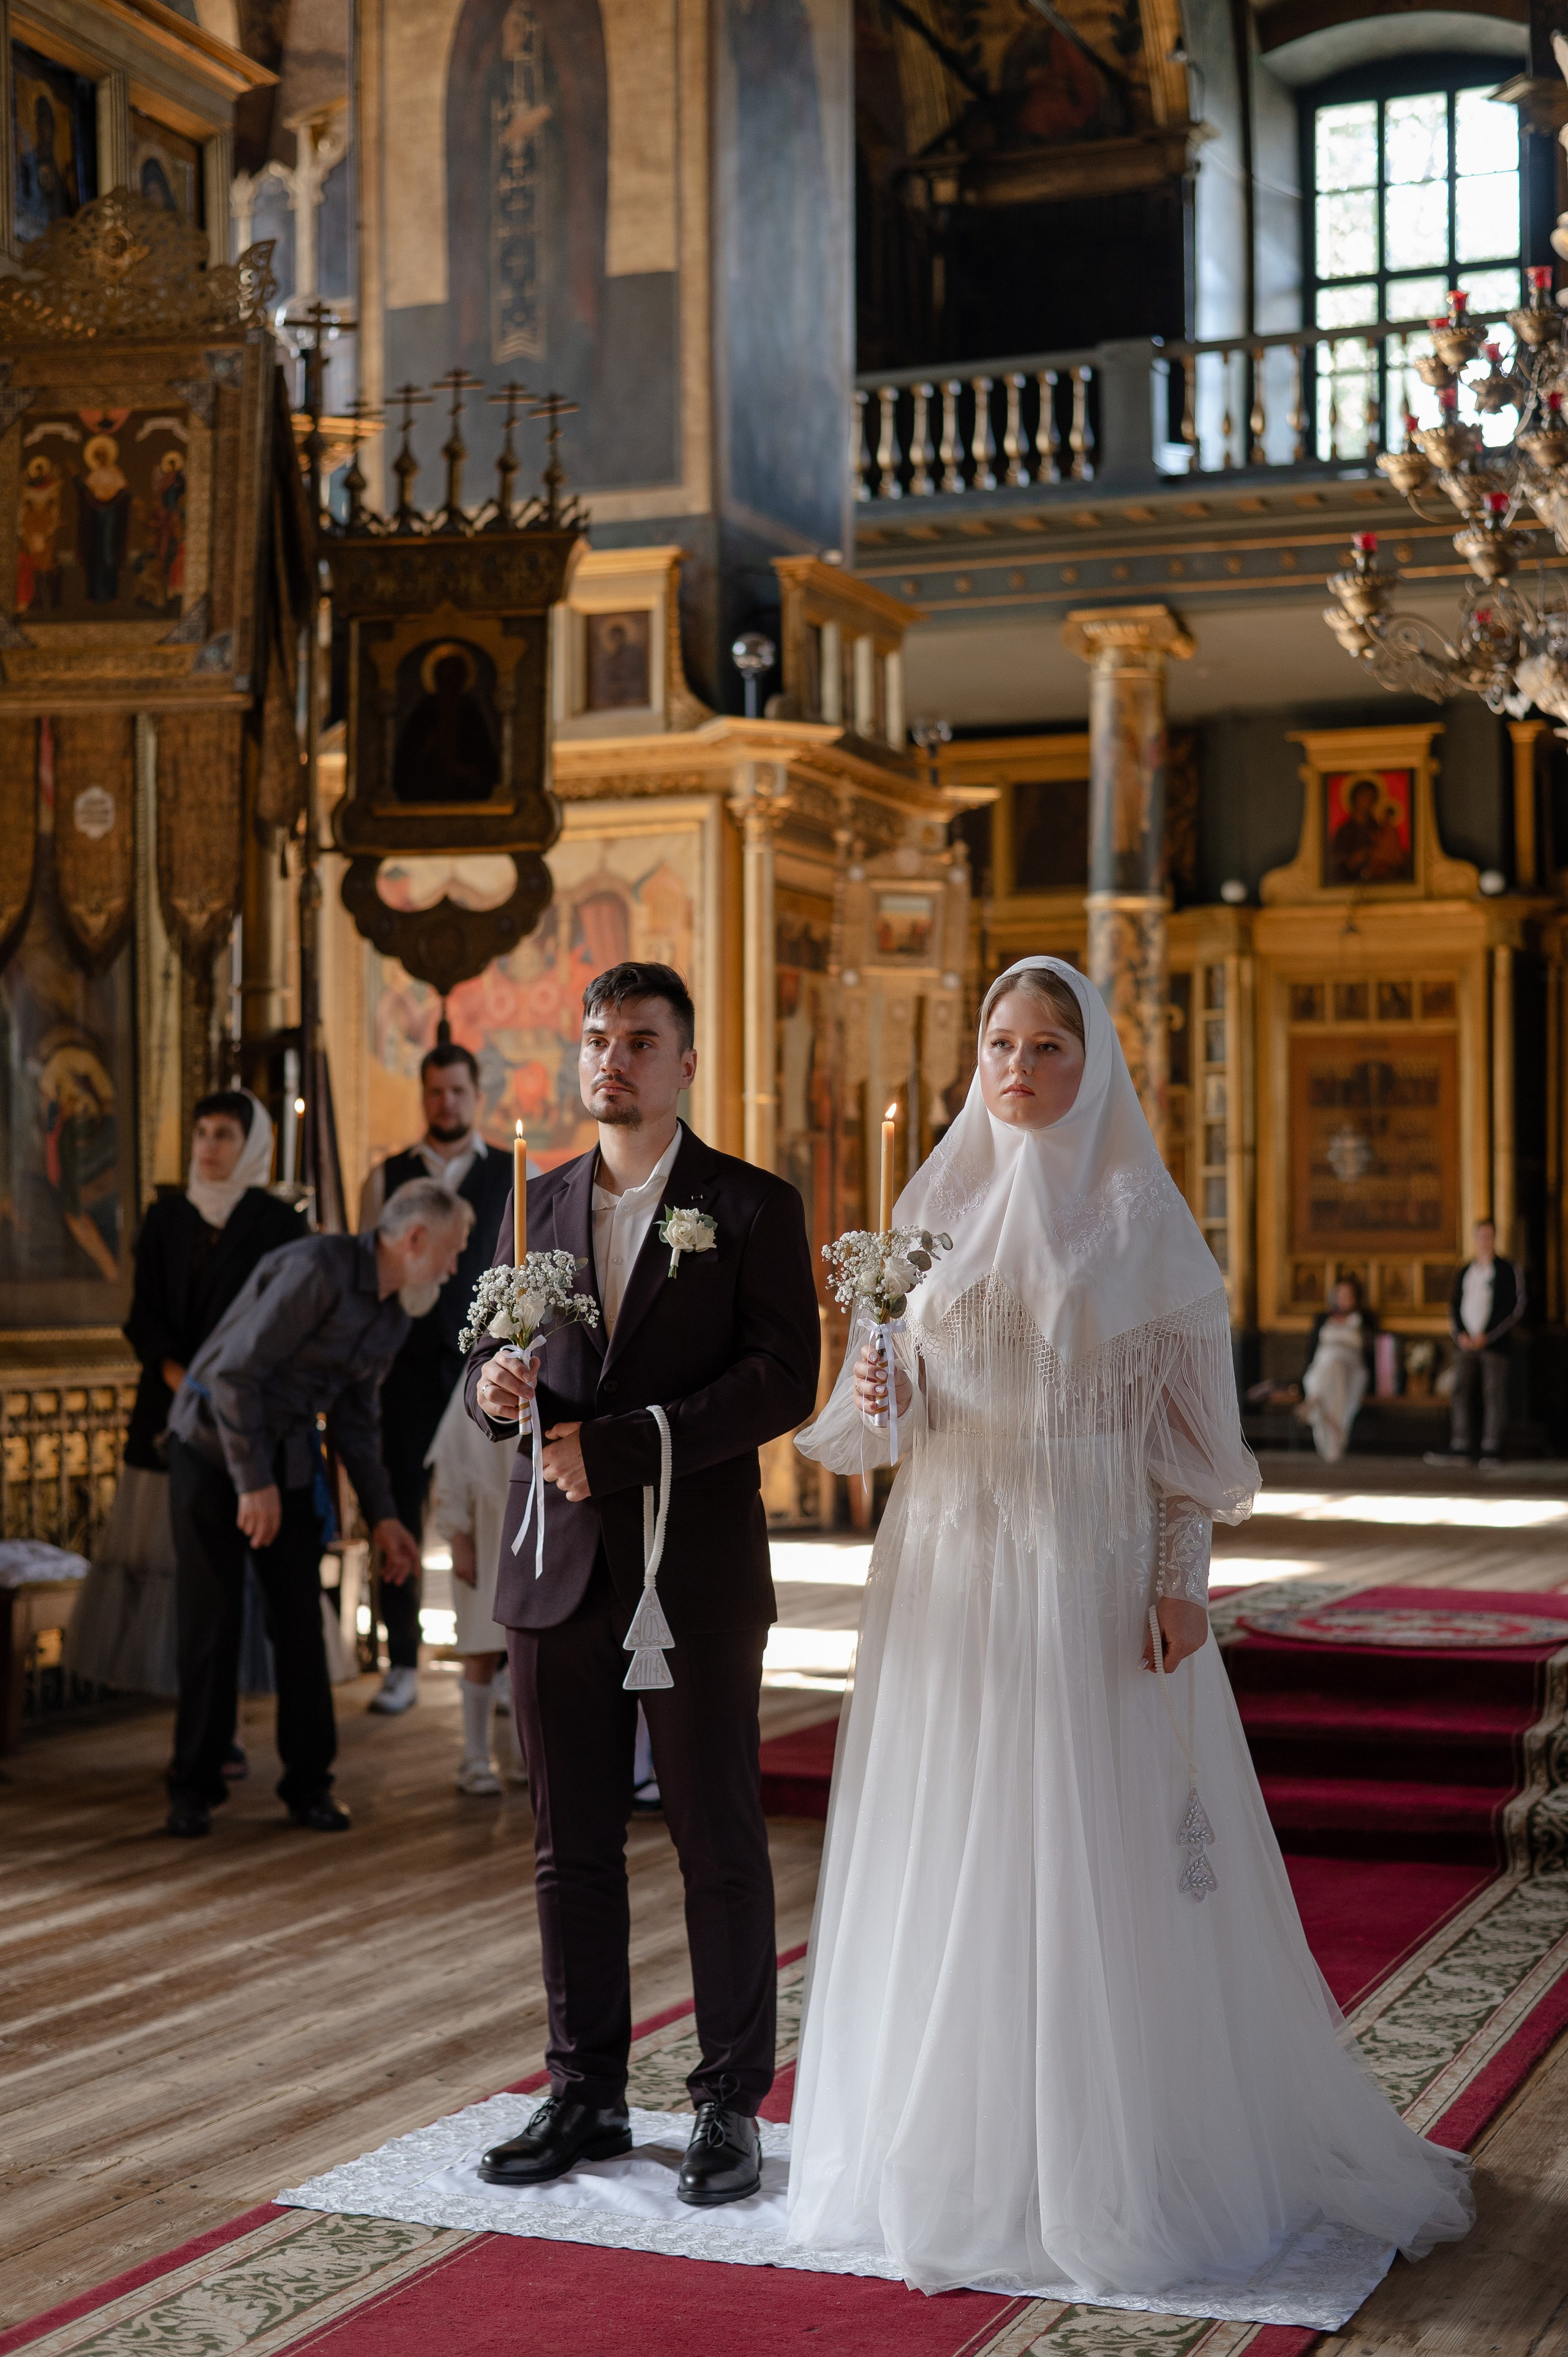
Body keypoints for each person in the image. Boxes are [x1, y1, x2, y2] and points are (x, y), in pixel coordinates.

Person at [786, 958, 1471, 2309]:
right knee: (956, 1833)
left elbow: (1185, 1450)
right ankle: (955, 2147)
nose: (1017, 1067)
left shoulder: (1137, 1225)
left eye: (1046, 1045)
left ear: (1090, 1062)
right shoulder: (928, 1208)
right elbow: (875, 1432)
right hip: (948, 1565)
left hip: (1080, 1560)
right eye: (998, 1042)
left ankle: (1107, 2154)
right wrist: (878, 1381)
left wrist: (1177, 1579)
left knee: (1081, 1840)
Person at [462, 960, 820, 2207]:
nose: (609, 1060)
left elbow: (784, 1379)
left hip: (696, 1572)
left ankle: (728, 2105)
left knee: (716, 1838)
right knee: (571, 1846)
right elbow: (490, 1361)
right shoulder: (530, 1204)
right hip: (554, 1568)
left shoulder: (751, 1206)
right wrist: (491, 1389)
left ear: (683, 1063)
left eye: (638, 1040)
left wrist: (620, 1444)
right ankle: (585, 2089)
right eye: (595, 1040)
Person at [162, 1177, 471, 1838]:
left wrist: (386, 1517)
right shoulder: (316, 1268)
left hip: (286, 1457)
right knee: (212, 1621)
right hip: (215, 1451)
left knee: (302, 1618)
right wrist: (252, 1483)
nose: (453, 1271)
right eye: (450, 1254)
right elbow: (232, 1376)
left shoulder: (393, 1311)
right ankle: (193, 1787)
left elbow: (359, 1423)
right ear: (414, 1239)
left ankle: (309, 1786)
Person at [65, 1092, 302, 1699]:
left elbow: (280, 1322)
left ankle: (225, 1723)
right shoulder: (167, 1217)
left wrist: (220, 1386)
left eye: (224, 1133)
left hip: (245, 1418)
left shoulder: (278, 1223)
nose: (209, 1145)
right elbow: (142, 1312)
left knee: (232, 1577)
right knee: (173, 1568)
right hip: (169, 1407)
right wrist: (178, 1375)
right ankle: (190, 1716)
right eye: (200, 1132)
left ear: (251, 1145)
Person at [358, 1043, 514, 1714]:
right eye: (434, 1091)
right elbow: (368, 1274)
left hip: (486, 1368)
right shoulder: (387, 1175)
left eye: (456, 1090)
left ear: (476, 1094)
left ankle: (502, 1661)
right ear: (423, 1096)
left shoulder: (513, 1173)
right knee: (397, 1506)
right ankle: (401, 1660)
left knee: (498, 1509)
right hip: (406, 1370)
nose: (445, 1102)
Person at [424, 1376, 525, 1796]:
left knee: (527, 1653)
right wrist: (458, 1534)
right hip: (483, 1532)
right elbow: (450, 1458)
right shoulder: (476, 1375)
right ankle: (475, 1758)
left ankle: (528, 1758)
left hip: (528, 1524)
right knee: (481, 1650)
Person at [1444, 1218, 1523, 1466]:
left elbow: (1513, 1307)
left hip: (1494, 1345)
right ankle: (1461, 1444)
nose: (1485, 1241)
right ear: (1475, 1239)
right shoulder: (1466, 1271)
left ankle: (1491, 1446)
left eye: (1489, 1236)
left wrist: (1487, 1335)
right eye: (1481, 1236)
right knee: (1460, 1391)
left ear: (1495, 1238)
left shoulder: (1506, 1270)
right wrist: (1461, 1335)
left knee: (1493, 1394)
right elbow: (1454, 1306)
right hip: (1465, 1344)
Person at [1297, 1273, 1376, 1463]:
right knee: (1331, 1369)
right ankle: (1334, 1446)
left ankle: (1314, 1400)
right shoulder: (1322, 1318)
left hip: (1352, 1368)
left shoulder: (1364, 1319)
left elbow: (1371, 1350)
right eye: (1341, 1295)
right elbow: (1312, 1351)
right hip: (1322, 1367)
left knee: (1337, 1369)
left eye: (1349, 1295)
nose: (1345, 1299)